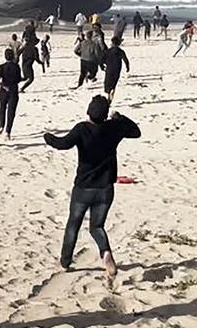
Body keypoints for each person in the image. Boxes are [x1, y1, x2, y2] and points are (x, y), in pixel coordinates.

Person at [44, 95, 141, 281]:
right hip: (105, 188)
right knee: (97, 226)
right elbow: (136, 132)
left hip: (84, 187)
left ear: (89, 111)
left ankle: (64, 263)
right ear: (105, 114)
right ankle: (106, 255)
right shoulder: (114, 128)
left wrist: (47, 137)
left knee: (73, 223)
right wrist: (120, 118)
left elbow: (62, 144)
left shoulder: (82, 129)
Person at [0, 48, 22, 140]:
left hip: (3, 89)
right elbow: (19, 79)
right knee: (11, 111)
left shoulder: (1, 67)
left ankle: (1, 125)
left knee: (2, 108)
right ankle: (8, 131)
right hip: (13, 90)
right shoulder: (17, 66)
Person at [101, 37, 130, 102]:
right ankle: (112, 90)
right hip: (117, 69)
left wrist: (102, 66)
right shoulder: (121, 51)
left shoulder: (108, 51)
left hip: (109, 69)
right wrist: (127, 67)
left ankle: (108, 93)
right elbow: (125, 60)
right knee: (114, 83)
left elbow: (102, 60)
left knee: (107, 82)